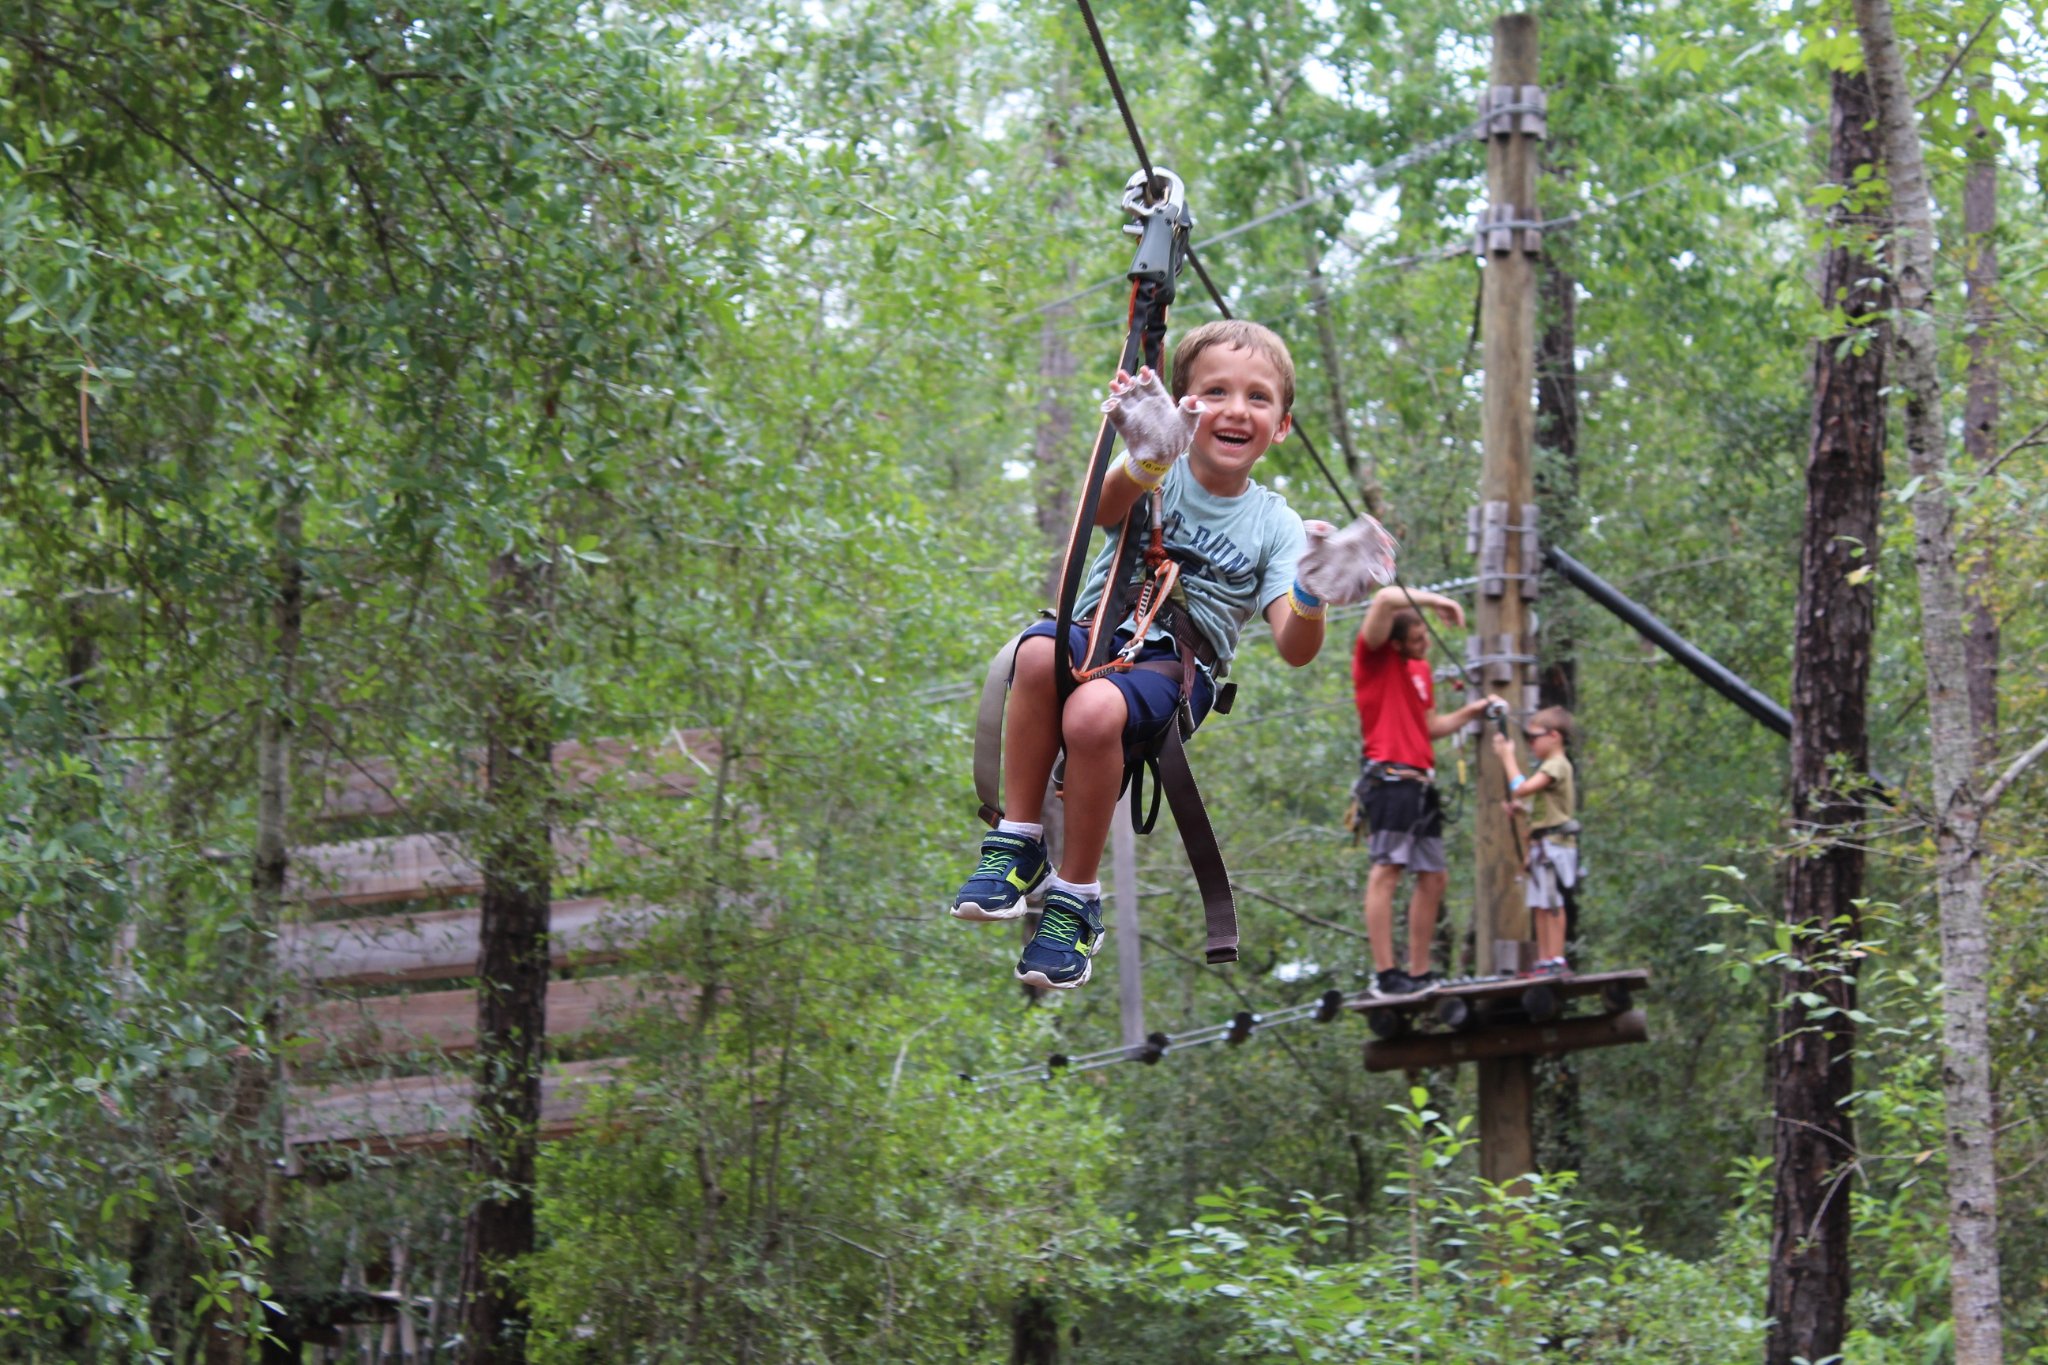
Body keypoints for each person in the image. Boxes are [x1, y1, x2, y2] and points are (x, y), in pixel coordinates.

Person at [950, 319, 1331, 990]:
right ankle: (1017, 840)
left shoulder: (1277, 525)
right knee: (1035, 656)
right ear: (1184, 409)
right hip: (1102, 625)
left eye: (1258, 398)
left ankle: (1075, 895)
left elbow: (1295, 644)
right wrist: (1149, 457)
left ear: (1282, 426)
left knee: (1095, 712)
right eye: (1215, 391)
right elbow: (1101, 510)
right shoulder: (1161, 468)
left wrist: (1313, 588)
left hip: (1174, 669)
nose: (1236, 409)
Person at [1352, 587, 1497, 996]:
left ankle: (1418, 972)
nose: (1426, 644)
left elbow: (1430, 727)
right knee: (1388, 870)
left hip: (1422, 783)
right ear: (1395, 643)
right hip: (1390, 781)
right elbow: (1383, 600)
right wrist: (1437, 600)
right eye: (1417, 640)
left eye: (1426, 637)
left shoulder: (1420, 672)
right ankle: (1386, 973)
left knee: (1434, 878)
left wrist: (1472, 711)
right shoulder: (1374, 659)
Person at [1491, 705, 1580, 975]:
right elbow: (1540, 807)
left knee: (1552, 902)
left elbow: (1521, 788)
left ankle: (1556, 958)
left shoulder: (1556, 765)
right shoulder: (1549, 767)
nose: (1530, 744)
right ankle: (1545, 958)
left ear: (1554, 736)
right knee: (1540, 905)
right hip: (1543, 844)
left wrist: (1507, 756)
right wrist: (1519, 811)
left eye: (1533, 738)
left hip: (1555, 845)